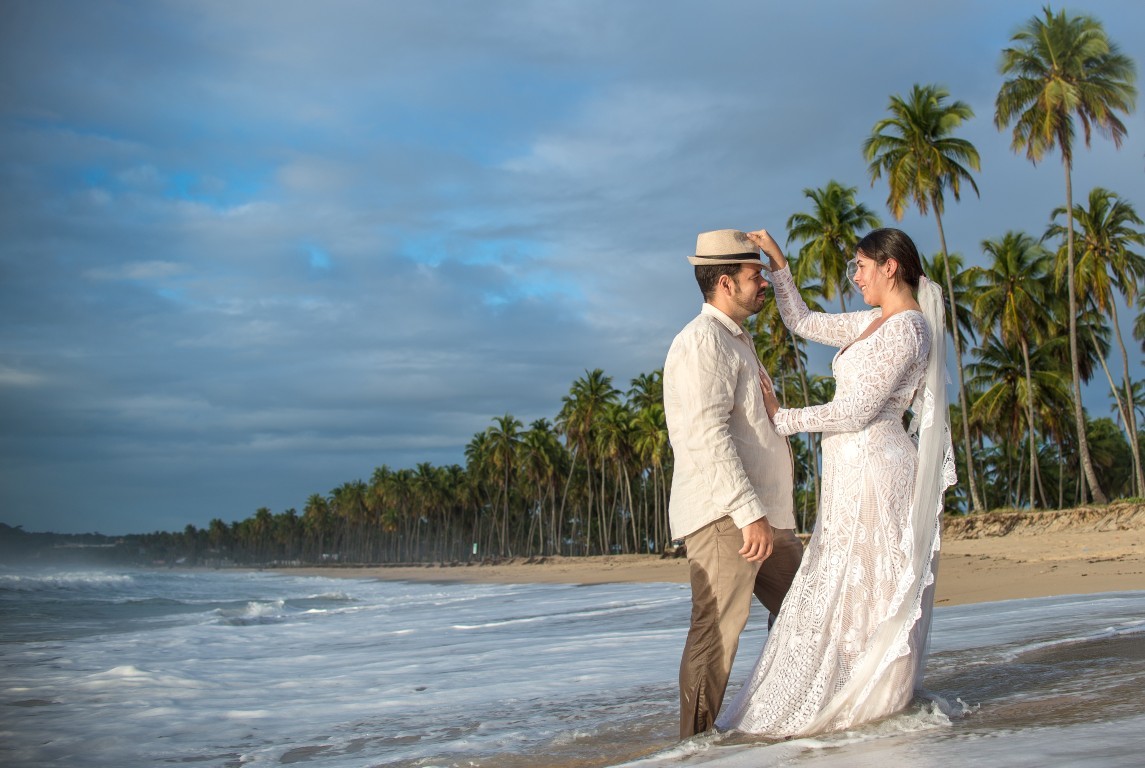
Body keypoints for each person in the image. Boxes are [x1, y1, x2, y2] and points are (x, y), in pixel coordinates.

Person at [715, 227, 956, 738]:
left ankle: (870, 698)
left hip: (877, 464)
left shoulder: (908, 329)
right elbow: (803, 321)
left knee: (866, 582)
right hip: (850, 467)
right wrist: (779, 263)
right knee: (842, 581)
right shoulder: (873, 321)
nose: (856, 276)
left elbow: (859, 409)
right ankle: (846, 689)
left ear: (891, 267)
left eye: (861, 266)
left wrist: (783, 418)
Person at [663, 229, 805, 740]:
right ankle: (693, 749)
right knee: (715, 635)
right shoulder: (702, 342)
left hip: (760, 519)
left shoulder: (733, 341)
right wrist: (748, 511)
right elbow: (704, 434)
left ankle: (786, 713)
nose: (762, 282)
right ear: (725, 282)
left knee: (808, 607)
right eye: (754, 275)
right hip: (729, 519)